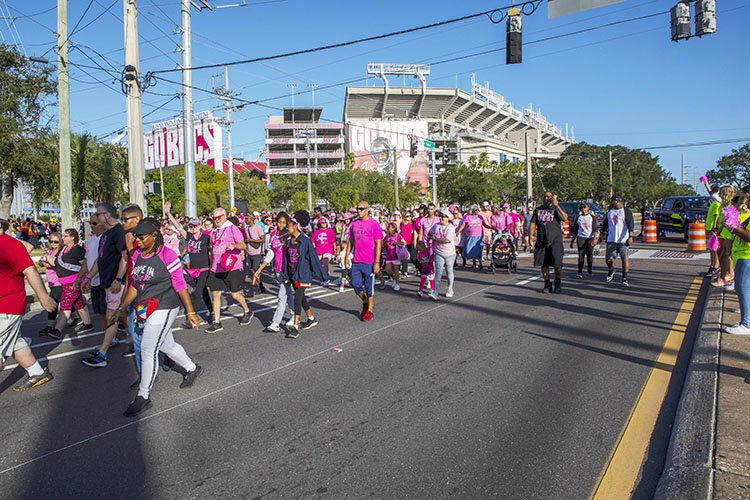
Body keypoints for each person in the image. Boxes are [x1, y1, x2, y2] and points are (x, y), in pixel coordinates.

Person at [115, 218, 202, 417]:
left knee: (148, 348)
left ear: (154, 236)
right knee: (165, 345)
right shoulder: (136, 254)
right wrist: (122, 307)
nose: (137, 239)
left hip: (165, 305)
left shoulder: (167, 254)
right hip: (145, 307)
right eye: (135, 235)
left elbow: (180, 284)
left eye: (141, 236)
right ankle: (192, 368)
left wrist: (190, 312)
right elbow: (136, 286)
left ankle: (143, 396)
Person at [0, 218, 57, 391]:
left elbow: (30, 270)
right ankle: (38, 372)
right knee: (15, 342)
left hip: (7, 305)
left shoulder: (8, 245)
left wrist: (43, 297)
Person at [81, 202, 128, 368]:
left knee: (112, 316)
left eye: (98, 214)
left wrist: (118, 278)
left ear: (107, 215)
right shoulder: (105, 235)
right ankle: (136, 341)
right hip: (106, 281)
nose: (97, 217)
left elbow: (125, 257)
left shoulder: (118, 232)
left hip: (117, 283)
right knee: (121, 315)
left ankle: (102, 354)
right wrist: (88, 277)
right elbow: (100, 261)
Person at [281, 210, 330, 339]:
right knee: (301, 298)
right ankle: (311, 318)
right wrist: (285, 276)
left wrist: (324, 276)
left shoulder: (306, 241)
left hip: (303, 274)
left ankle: (295, 328)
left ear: (296, 226)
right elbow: (286, 260)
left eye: (289, 225)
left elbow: (314, 260)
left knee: (297, 298)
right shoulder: (288, 241)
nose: (287, 227)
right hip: (293, 274)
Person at [206, 207, 254, 333]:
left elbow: (243, 245)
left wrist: (235, 246)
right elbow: (211, 248)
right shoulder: (213, 232)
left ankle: (247, 310)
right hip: (216, 267)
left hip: (232, 266)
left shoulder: (233, 228)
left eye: (219, 217)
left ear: (225, 216)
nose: (217, 220)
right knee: (215, 294)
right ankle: (217, 322)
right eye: (214, 218)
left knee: (235, 294)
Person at [46, 229, 93, 339]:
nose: (63, 238)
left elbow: (85, 265)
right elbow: (57, 263)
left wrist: (81, 279)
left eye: (65, 236)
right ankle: (88, 324)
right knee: (78, 303)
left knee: (65, 305)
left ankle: (57, 330)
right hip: (65, 282)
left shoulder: (77, 249)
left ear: (72, 237)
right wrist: (47, 260)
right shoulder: (63, 250)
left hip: (73, 282)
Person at [253, 212, 295, 333]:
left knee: (282, 296)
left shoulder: (289, 235)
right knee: (288, 294)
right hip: (277, 269)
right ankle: (294, 315)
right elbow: (270, 254)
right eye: (279, 222)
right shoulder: (272, 235)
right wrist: (260, 269)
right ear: (275, 222)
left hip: (287, 270)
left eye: (284, 222)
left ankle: (276, 323)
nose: (281, 224)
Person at [344, 201, 383, 322]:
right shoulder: (354, 224)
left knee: (368, 286)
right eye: (358, 209)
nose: (359, 211)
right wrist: (346, 256)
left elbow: (378, 243)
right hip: (357, 260)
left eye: (361, 209)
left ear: (367, 210)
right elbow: (351, 240)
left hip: (369, 261)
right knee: (355, 284)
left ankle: (370, 310)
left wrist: (377, 262)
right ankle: (365, 301)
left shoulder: (374, 224)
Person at [529, 192, 568, 293]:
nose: (547, 199)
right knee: (543, 263)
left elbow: (564, 217)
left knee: (557, 263)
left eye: (549, 197)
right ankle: (547, 283)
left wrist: (556, 206)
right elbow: (533, 223)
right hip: (542, 240)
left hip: (556, 240)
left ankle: (557, 282)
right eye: (545, 197)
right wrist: (530, 236)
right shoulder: (538, 210)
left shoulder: (556, 208)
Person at [599, 194, 635, 287]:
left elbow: (631, 224)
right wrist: (600, 236)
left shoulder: (626, 211)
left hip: (623, 239)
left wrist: (630, 236)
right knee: (608, 259)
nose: (613, 203)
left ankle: (624, 278)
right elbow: (605, 225)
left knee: (624, 259)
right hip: (611, 239)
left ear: (619, 201)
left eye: (614, 201)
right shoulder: (610, 212)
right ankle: (611, 270)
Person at [183, 217, 213, 324]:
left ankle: (192, 317)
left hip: (204, 269)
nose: (193, 228)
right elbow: (177, 226)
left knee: (197, 293)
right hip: (193, 270)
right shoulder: (189, 236)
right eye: (191, 226)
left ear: (200, 226)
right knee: (204, 292)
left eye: (195, 226)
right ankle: (212, 311)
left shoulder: (206, 237)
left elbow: (213, 251)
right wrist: (168, 213)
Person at [429, 208, 457, 299]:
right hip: (438, 253)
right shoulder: (436, 225)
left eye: (444, 217)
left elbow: (446, 240)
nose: (441, 218)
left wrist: (435, 239)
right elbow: (429, 233)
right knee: (438, 272)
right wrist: (431, 237)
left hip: (449, 253)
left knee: (449, 271)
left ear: (448, 218)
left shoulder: (451, 228)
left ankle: (450, 288)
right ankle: (435, 291)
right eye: (440, 216)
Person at [712, 185, 737, 288]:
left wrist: (720, 229)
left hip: (728, 234)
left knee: (725, 255)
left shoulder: (731, 204)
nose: (721, 195)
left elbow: (729, 220)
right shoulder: (723, 204)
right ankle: (726, 274)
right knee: (722, 255)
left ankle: (726, 276)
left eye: (723, 193)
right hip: (722, 232)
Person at [38, 233, 62, 337]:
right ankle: (77, 317)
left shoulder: (62, 253)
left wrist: (47, 260)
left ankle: (49, 326)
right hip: (52, 281)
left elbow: (56, 265)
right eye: (51, 241)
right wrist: (42, 262)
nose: (53, 244)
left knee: (53, 303)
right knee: (70, 301)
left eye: (56, 242)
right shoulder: (50, 251)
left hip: (59, 281)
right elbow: (42, 262)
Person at [570, 203, 599, 278]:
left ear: (588, 208)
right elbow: (575, 230)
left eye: (584, 207)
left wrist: (595, 238)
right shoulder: (578, 217)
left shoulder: (591, 217)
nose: (583, 208)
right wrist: (572, 241)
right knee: (581, 255)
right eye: (582, 207)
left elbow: (595, 229)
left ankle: (589, 270)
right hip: (581, 237)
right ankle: (579, 272)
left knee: (589, 254)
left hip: (590, 237)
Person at [457, 205, 489, 269]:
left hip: (479, 235)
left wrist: (490, 227)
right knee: (471, 249)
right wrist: (458, 231)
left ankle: (480, 263)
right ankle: (474, 262)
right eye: (476, 210)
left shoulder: (480, 217)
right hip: (470, 235)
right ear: (472, 211)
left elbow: (484, 224)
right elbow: (463, 225)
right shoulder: (467, 217)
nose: (477, 211)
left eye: (478, 210)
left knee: (479, 249)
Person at [243, 212, 266, 297]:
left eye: (247, 218)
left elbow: (263, 240)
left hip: (256, 252)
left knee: (256, 270)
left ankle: (252, 289)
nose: (246, 220)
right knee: (254, 271)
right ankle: (261, 286)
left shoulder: (258, 227)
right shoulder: (247, 228)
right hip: (249, 252)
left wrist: (251, 240)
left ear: (252, 219)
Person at [382, 222, 406, 291]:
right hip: (389, 255)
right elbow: (383, 244)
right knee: (388, 269)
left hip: (396, 255)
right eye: (388, 227)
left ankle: (397, 284)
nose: (388, 228)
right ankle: (394, 279)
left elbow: (404, 242)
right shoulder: (387, 236)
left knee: (396, 270)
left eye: (389, 227)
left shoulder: (398, 236)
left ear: (393, 228)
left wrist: (397, 243)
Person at [311, 217, 336, 283]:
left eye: (325, 222)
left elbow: (333, 241)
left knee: (325, 262)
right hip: (318, 251)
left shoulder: (330, 231)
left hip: (328, 250)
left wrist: (335, 250)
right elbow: (312, 241)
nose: (324, 224)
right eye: (322, 223)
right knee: (320, 265)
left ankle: (326, 277)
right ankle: (325, 274)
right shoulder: (316, 232)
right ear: (319, 224)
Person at [704, 187, 722, 278]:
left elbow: (716, 216)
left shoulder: (716, 204)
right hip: (709, 227)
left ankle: (715, 266)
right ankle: (712, 266)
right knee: (711, 249)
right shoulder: (713, 203)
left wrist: (714, 227)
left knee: (713, 249)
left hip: (712, 228)